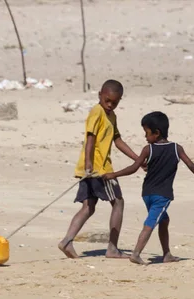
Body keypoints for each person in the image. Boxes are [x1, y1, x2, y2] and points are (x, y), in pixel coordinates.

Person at [102, 111, 194, 265]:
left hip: (147, 194)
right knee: (150, 223)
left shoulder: (148, 149)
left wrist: (114, 174)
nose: (145, 137)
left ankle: (167, 254)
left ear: (157, 133)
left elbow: (134, 167)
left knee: (164, 220)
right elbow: (191, 165)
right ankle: (136, 254)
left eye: (147, 133)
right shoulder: (176, 148)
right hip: (162, 195)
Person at [58, 79, 142, 259]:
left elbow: (117, 140)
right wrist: (89, 164)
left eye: (115, 102)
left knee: (88, 207)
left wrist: (137, 159)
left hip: (91, 168)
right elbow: (90, 138)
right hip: (100, 169)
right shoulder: (97, 112)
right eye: (107, 101)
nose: (111, 105)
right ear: (100, 95)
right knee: (118, 202)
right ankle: (112, 248)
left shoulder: (112, 116)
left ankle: (67, 241)